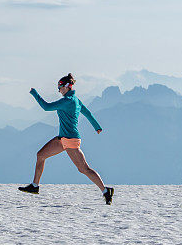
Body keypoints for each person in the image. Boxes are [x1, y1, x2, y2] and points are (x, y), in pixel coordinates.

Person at [18, 73, 114, 204]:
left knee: (84, 169)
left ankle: (105, 190)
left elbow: (46, 107)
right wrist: (97, 127)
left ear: (68, 86)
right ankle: (35, 186)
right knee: (40, 155)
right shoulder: (76, 100)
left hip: (70, 140)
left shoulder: (66, 101)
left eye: (60, 87)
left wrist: (34, 93)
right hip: (63, 139)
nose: (58, 90)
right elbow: (87, 113)